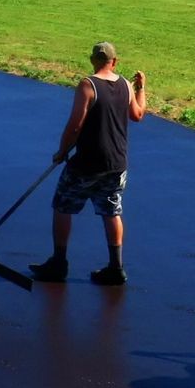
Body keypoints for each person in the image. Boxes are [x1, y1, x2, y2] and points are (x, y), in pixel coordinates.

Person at [28, 41, 146, 285]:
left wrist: (61, 151)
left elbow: (75, 125)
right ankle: (116, 267)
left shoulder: (88, 85)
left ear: (93, 60)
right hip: (117, 163)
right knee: (112, 211)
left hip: (88, 162)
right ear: (115, 61)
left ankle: (59, 263)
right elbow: (138, 115)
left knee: (63, 205)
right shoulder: (125, 84)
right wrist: (141, 89)